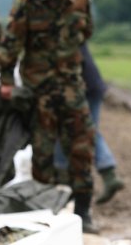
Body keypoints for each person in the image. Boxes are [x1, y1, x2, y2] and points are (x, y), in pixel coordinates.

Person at [0, 0, 98, 233]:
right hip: (38, 91)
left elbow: (86, 33)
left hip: (71, 88)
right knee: (42, 153)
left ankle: (82, 212)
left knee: (81, 147)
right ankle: (43, 213)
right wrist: (6, 78)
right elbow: (11, 41)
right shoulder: (27, 1)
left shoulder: (81, 0)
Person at [53, 43, 125, 204]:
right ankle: (109, 174)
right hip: (91, 85)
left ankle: (63, 179)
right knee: (90, 130)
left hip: (81, 88)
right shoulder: (74, 28)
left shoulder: (61, 33)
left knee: (68, 129)